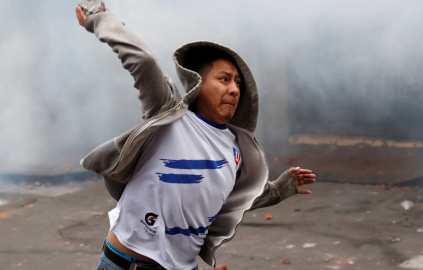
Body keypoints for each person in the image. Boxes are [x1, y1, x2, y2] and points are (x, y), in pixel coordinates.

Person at [75, 5, 316, 270]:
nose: (234, 89)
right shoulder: (169, 114)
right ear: (198, 84)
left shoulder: (236, 150)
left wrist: (278, 190)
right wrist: (99, 18)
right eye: (224, 79)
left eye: (238, 82)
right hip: (128, 263)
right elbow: (142, 61)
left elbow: (223, 198)